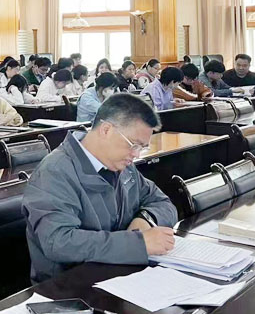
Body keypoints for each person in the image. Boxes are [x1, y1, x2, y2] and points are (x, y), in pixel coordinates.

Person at [22, 93, 177, 282]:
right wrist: (138, 244)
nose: (136, 155)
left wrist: (145, 219)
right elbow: (58, 241)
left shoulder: (123, 167)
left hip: (119, 274)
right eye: (134, 145)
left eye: (141, 147)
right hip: (70, 286)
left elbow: (163, 203)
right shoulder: (55, 172)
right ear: (106, 130)